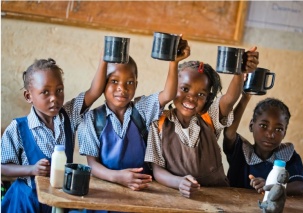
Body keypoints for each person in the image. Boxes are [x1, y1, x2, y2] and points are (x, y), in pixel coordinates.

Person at [77, 38, 190, 195]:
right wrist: (118, 177)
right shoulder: (92, 119)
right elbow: (92, 165)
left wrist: (174, 63)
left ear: (136, 85)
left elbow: (168, 94)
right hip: (107, 190)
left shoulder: (141, 109)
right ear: (103, 84)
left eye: (129, 83)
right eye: (114, 81)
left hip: (143, 190)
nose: (122, 89)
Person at [144, 47, 259, 198]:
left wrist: (239, 72)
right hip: (175, 195)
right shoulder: (158, 123)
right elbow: (157, 170)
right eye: (185, 89)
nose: (191, 98)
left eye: (200, 94)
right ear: (173, 88)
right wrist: (179, 182)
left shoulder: (209, 118)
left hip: (217, 197)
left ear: (207, 98)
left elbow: (230, 99)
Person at [1, 55, 107, 213]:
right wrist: (31, 170)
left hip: (59, 200)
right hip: (27, 202)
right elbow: (2, 167)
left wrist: (104, 58)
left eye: (59, 90)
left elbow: (95, 91)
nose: (54, 98)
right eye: (45, 92)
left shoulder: (69, 116)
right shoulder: (18, 128)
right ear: (28, 96)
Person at [223, 93, 303, 196]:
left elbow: (300, 187)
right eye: (263, 125)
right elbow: (228, 134)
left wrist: (272, 187)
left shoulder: (288, 155)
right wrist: (245, 98)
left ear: (284, 133)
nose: (270, 134)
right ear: (251, 125)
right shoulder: (241, 151)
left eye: (278, 129)